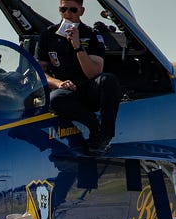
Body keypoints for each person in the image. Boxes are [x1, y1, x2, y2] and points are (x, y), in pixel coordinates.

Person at [36, 0, 120, 155]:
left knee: (109, 80)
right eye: (63, 9)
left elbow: (94, 73)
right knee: (54, 99)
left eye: (73, 10)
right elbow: (39, 73)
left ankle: (105, 136)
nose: (68, 14)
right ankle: (95, 126)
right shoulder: (47, 35)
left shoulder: (92, 35)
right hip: (66, 91)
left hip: (88, 89)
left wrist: (77, 46)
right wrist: (59, 83)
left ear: (82, 11)